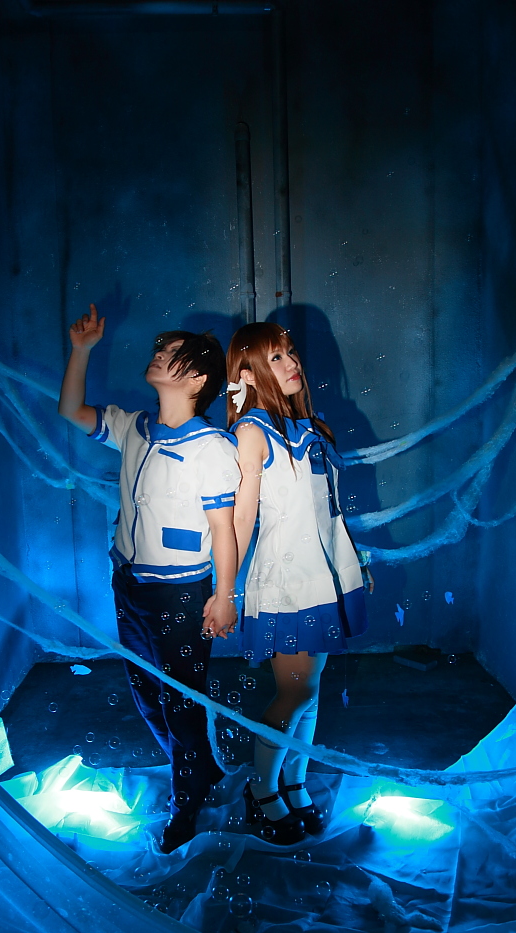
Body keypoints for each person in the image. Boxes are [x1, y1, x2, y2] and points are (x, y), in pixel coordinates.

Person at [59, 304, 239, 853]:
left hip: (181, 592)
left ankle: (188, 801)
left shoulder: (211, 447)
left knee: (182, 701)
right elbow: (72, 412)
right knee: (146, 694)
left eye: (172, 353)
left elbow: (225, 530)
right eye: (160, 349)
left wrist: (224, 595)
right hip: (129, 583)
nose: (158, 355)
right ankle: (198, 768)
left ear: (198, 379)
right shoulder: (134, 426)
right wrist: (82, 351)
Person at [227, 322, 373, 845]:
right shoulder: (252, 432)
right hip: (287, 579)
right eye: (275, 358)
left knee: (310, 691)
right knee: (296, 690)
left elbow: (330, 512)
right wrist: (223, 591)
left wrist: (354, 564)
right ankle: (262, 789)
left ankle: (294, 781)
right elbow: (242, 518)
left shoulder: (315, 428)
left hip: (324, 574)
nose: (292, 363)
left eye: (290, 353)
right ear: (248, 374)